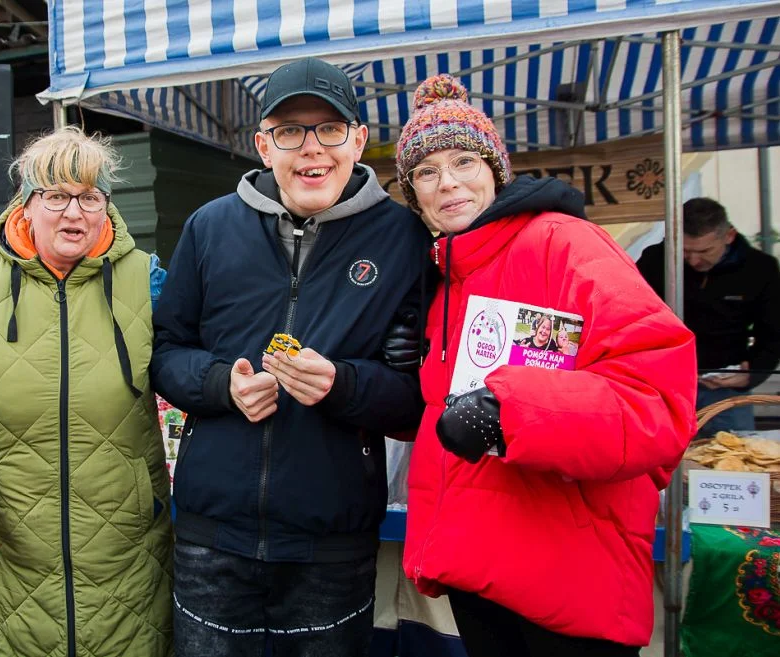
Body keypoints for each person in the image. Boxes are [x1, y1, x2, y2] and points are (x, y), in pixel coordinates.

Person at [393, 74, 697, 657]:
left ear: (496, 170)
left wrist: (510, 412)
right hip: (481, 572)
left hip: (569, 580)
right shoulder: (445, 276)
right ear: (413, 195)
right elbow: (446, 419)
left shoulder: (564, 244)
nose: (448, 182)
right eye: (426, 172)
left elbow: (657, 400)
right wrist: (410, 372)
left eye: (463, 161)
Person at [150, 57, 431, 657]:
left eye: (329, 128)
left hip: (331, 540)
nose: (312, 149)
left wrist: (343, 385)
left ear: (357, 139)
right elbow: (166, 352)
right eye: (290, 131)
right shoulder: (208, 227)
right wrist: (223, 384)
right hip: (211, 538)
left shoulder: (402, 237)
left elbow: (417, 392)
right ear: (263, 144)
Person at [0, 127, 172, 657]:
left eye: (90, 197)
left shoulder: (146, 279)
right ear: (27, 204)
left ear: (106, 206)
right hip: (9, 551)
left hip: (127, 552)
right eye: (56, 196)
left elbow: (190, 369)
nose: (75, 213)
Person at [636, 197, 780, 435]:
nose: (693, 260)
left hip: (726, 388)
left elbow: (773, 334)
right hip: (663, 385)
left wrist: (751, 372)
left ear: (729, 236)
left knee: (732, 461)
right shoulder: (655, 260)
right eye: (684, 251)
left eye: (704, 251)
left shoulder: (760, 268)